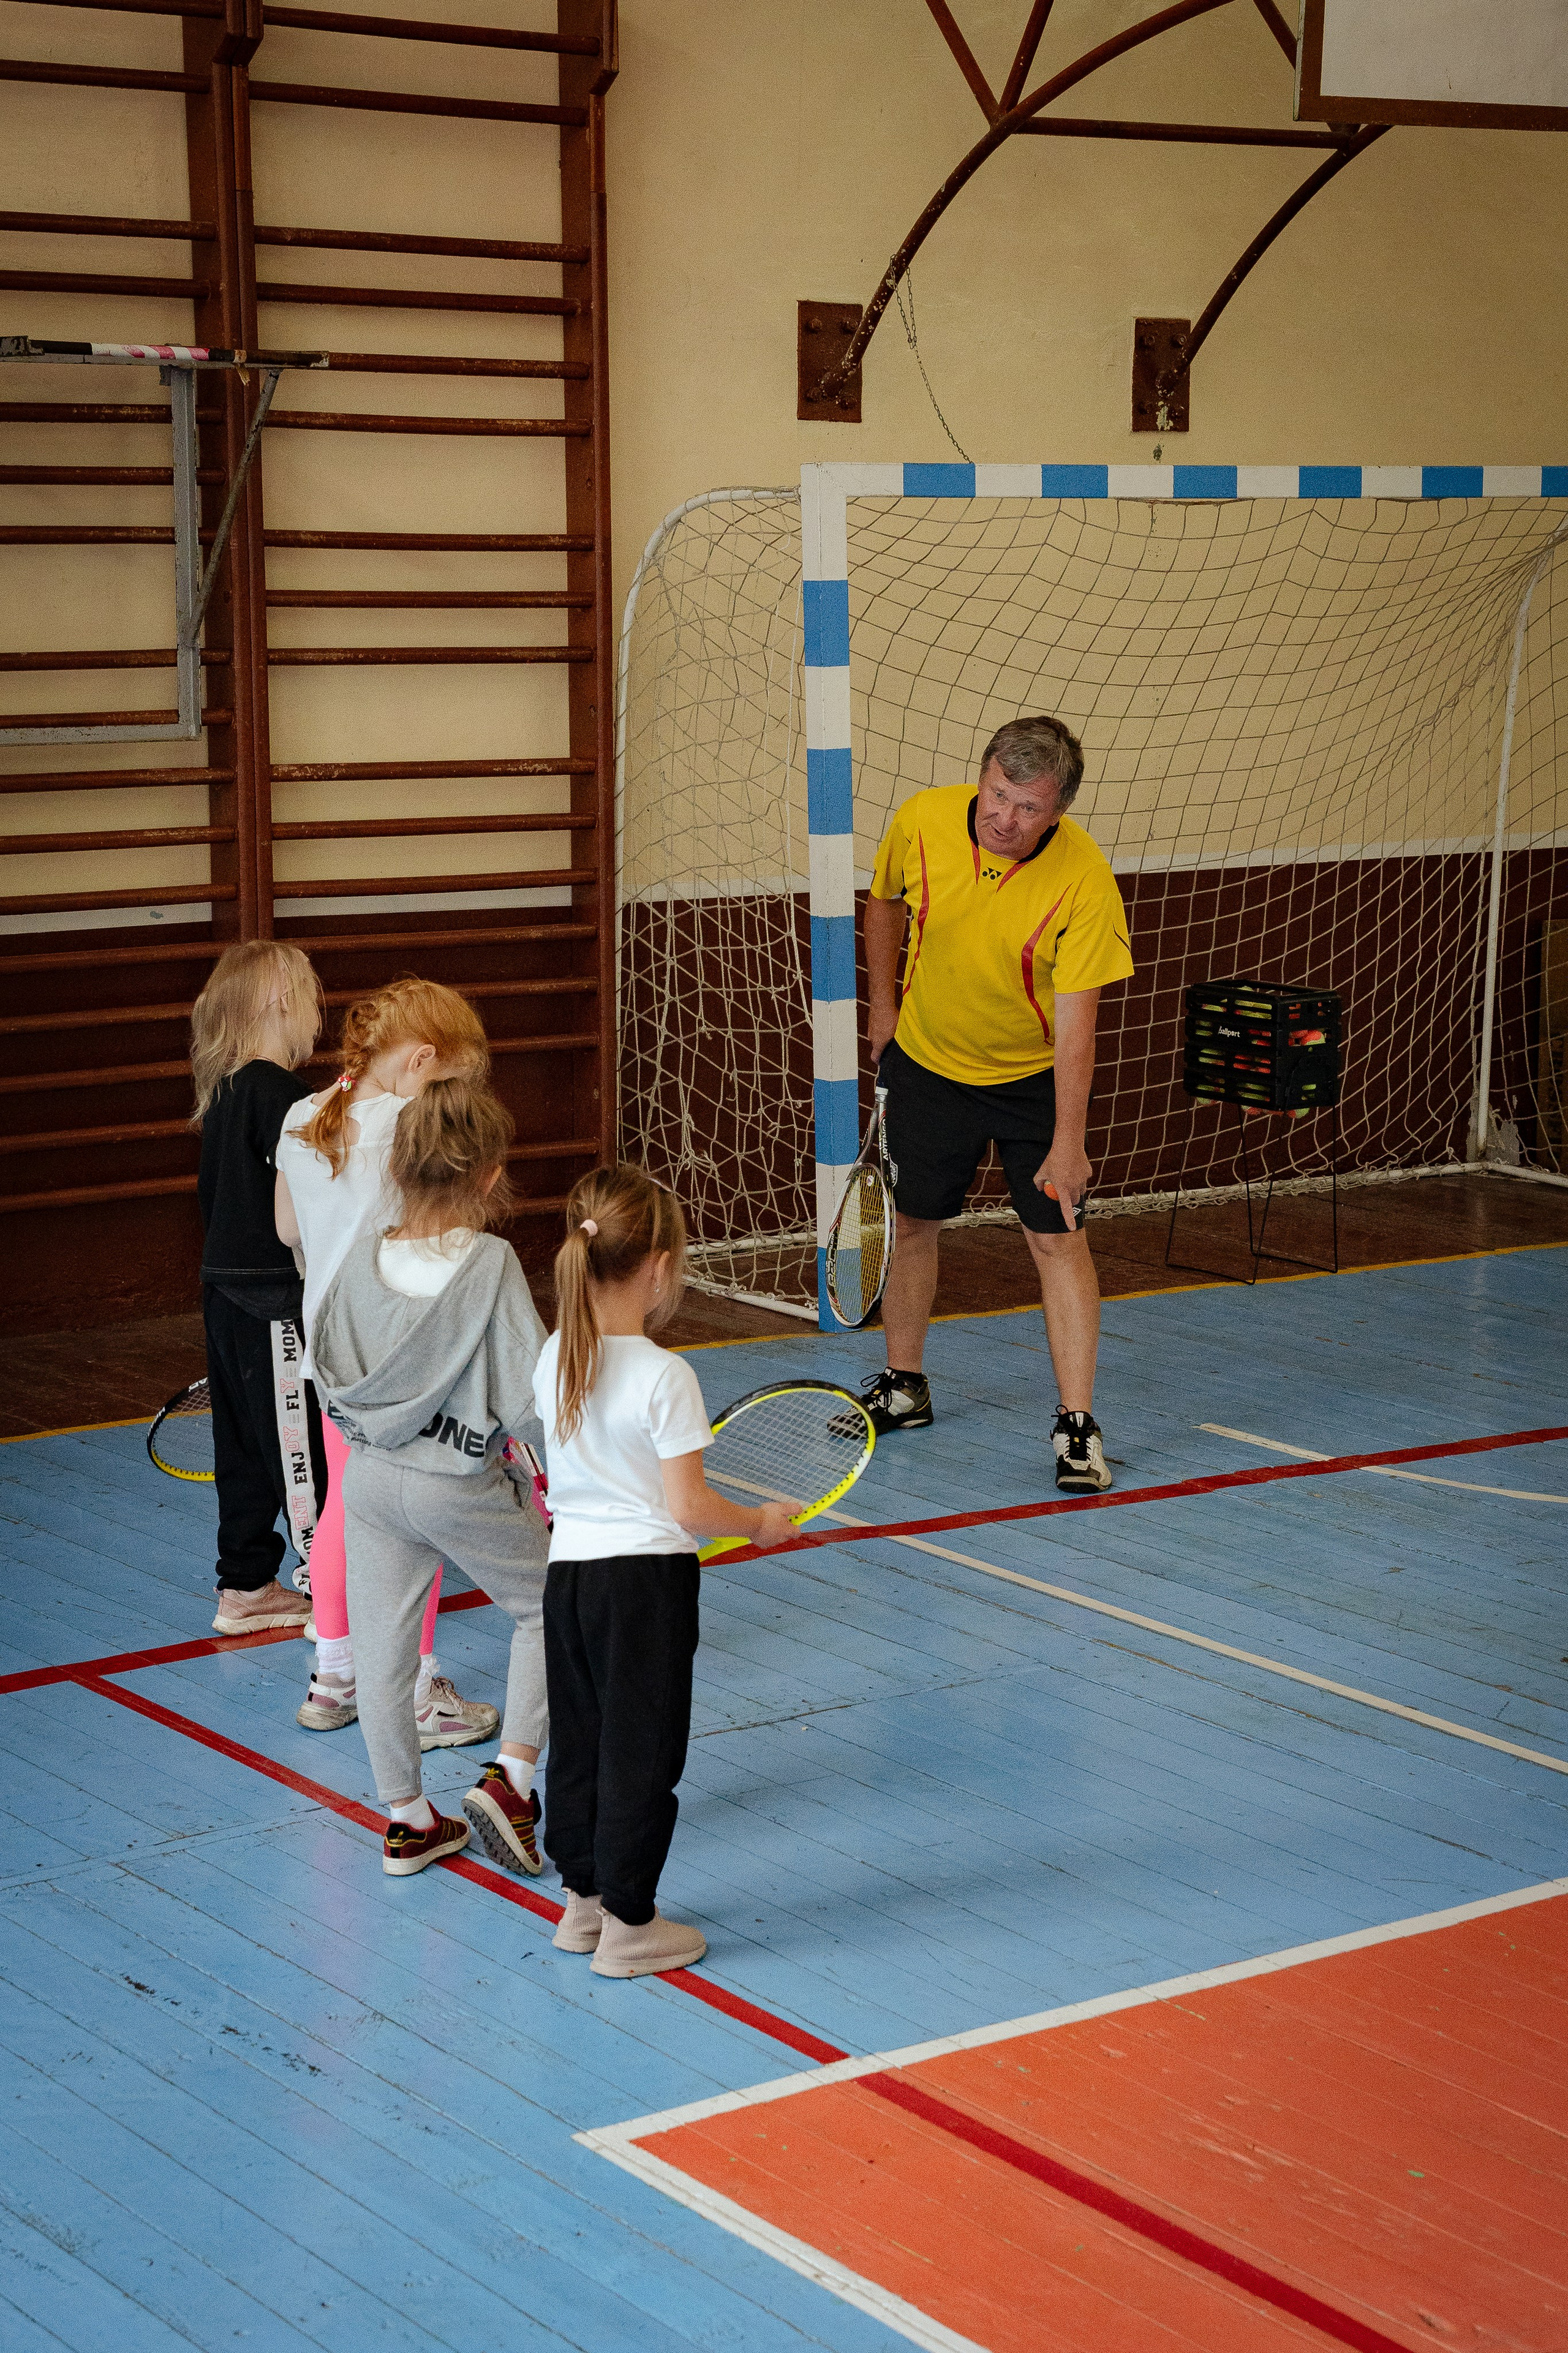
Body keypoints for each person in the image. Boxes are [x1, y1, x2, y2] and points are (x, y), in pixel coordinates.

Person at [858, 714, 1134, 1492]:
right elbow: (882, 903)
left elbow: (1079, 1025)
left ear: (1059, 812)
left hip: (1034, 1080)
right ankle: (903, 1385)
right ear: (981, 776)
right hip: (930, 1064)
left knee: (1057, 1241)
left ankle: (1076, 1426)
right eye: (997, 794)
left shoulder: (1084, 881)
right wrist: (883, 1011)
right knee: (913, 1224)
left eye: (1028, 808)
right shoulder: (920, 820)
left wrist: (1069, 1142)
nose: (1004, 818)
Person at [534, 1166, 794, 1979]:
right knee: (641, 1751)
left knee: (579, 1740)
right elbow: (687, 1506)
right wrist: (757, 1523)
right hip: (642, 1587)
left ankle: (582, 1903)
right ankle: (629, 1924)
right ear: (657, 1267)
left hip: (568, 1580)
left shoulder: (554, 1357)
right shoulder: (664, 1375)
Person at [311, 1076, 552, 1880]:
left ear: (400, 1169)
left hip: (372, 1481)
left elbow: (327, 1365)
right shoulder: (489, 1263)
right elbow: (529, 1395)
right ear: (489, 1176)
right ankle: (513, 1781)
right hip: (456, 1480)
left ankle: (410, 1820)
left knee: (382, 1652)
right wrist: (564, 1475)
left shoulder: (361, 1255)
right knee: (552, 1607)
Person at [276, 976, 497, 1747]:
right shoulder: (409, 1124)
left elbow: (284, 1230)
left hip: (331, 1353)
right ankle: (418, 1692)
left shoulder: (304, 1115)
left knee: (346, 1506)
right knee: (418, 1519)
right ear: (422, 1061)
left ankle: (333, 1676)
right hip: (406, 1358)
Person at [191, 940, 324, 1637]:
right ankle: (325, 1588)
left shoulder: (228, 1089)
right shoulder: (282, 1096)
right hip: (271, 1302)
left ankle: (246, 1584)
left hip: (223, 1294)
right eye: (308, 991)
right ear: (279, 999)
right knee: (297, 1447)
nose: (316, 1008)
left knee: (243, 1446)